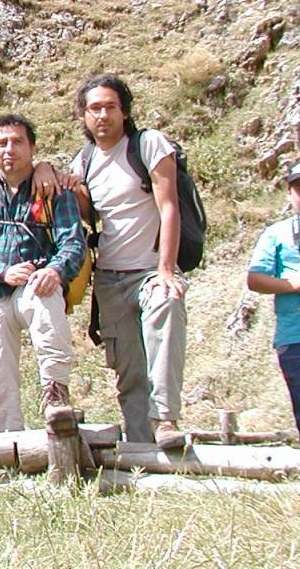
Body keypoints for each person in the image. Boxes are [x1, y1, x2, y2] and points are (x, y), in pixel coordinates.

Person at [70, 74, 187, 447]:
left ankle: (165, 419)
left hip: (152, 269)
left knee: (166, 307)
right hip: (109, 276)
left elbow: (169, 207)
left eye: (109, 106)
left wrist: (167, 269)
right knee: (129, 370)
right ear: (83, 115)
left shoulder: (148, 144)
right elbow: (84, 212)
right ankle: (141, 447)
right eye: (94, 108)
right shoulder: (85, 160)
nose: (102, 115)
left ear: (124, 111)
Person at [0, 115, 86, 432]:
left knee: (46, 307)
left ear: (33, 147)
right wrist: (1, 271)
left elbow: (73, 242)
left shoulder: (54, 192)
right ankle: (7, 448)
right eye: (2, 143)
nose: (9, 149)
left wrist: (55, 270)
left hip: (35, 285)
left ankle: (56, 397)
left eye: (17, 142)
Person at [246, 157, 300, 450]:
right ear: (290, 194)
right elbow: (254, 279)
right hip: (299, 337)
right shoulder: (276, 233)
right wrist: (293, 284)